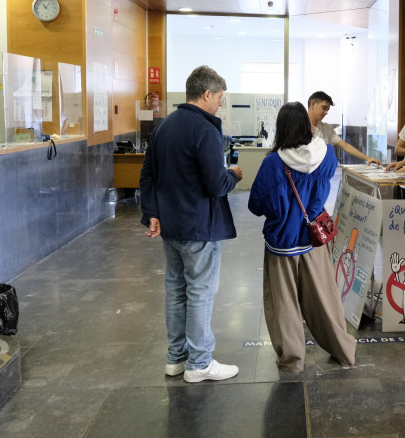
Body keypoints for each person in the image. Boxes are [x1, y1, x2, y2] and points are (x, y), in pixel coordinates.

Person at [139, 65, 243, 383]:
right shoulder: (205, 129)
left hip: (170, 226)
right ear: (206, 94)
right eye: (220, 97)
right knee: (200, 292)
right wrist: (233, 176)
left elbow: (148, 176)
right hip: (199, 226)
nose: (220, 104)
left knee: (176, 291)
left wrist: (151, 213)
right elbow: (215, 184)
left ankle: (176, 359)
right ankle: (199, 363)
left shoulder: (165, 126)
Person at [248, 102, 357, 373]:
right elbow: (322, 188)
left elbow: (255, 205)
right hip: (315, 239)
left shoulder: (273, 162)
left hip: (282, 243)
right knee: (324, 300)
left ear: (282, 127)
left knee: (284, 305)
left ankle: (293, 360)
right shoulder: (327, 155)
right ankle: (343, 350)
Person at [307, 91, 381, 165]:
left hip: (320, 172)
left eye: (328, 110)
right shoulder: (298, 125)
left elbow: (346, 146)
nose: (326, 112)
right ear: (313, 104)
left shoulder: (326, 128)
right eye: (324, 108)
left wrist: (367, 158)